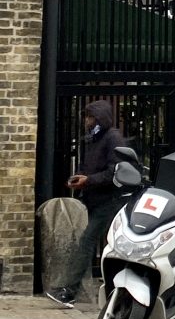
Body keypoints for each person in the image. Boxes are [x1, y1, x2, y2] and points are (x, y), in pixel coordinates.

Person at [46, 100, 124, 306]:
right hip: (94, 198)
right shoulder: (95, 139)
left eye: (90, 117)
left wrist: (89, 180)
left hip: (108, 200)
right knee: (104, 245)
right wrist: (81, 178)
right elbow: (91, 165)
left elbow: (115, 171)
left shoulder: (112, 138)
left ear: (99, 119)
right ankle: (112, 291)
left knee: (88, 242)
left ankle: (69, 291)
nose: (86, 121)